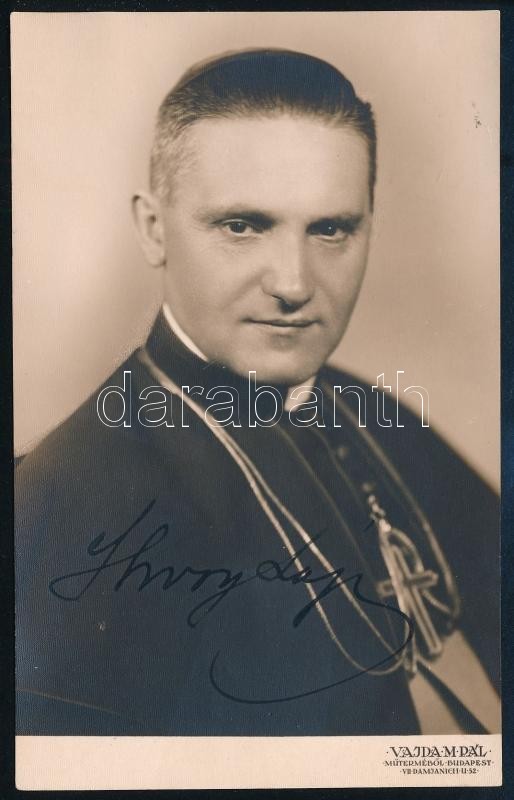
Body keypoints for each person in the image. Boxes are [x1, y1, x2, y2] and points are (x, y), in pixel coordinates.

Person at [15, 48, 500, 736]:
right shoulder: (67, 503)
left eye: (331, 229)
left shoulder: (372, 414)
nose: (294, 283)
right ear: (153, 230)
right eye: (242, 226)